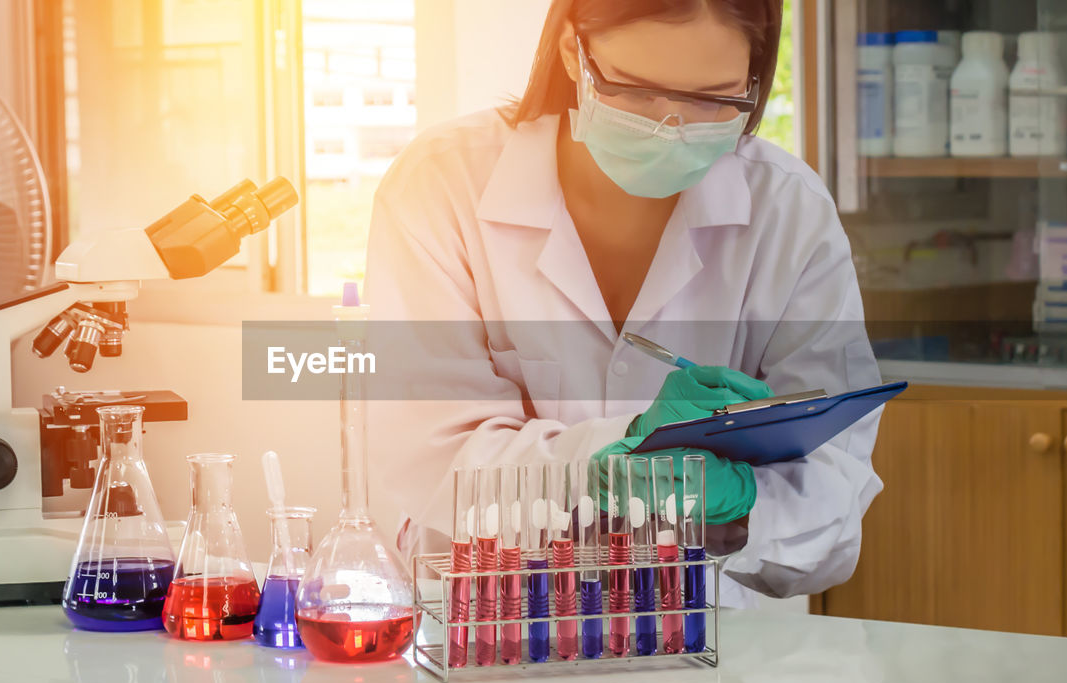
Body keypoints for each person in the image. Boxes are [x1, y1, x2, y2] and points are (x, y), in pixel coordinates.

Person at [364, 0, 883, 607]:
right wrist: (609, 459)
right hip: (489, 632)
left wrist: (743, 506)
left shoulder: (787, 210)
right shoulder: (443, 183)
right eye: (637, 92)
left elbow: (833, 501)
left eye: (713, 98)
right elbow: (427, 465)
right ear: (571, 52)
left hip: (711, 647)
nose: (673, 124)